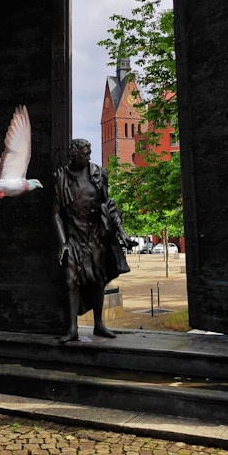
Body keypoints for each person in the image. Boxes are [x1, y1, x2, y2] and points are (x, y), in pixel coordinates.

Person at [53, 139, 133, 343]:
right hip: (73, 238)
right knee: (71, 282)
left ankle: (99, 323)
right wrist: (63, 242)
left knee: (98, 281)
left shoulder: (98, 174)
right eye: (85, 153)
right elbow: (56, 214)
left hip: (95, 236)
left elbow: (108, 204)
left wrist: (121, 232)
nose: (89, 157)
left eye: (90, 153)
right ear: (73, 155)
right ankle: (72, 329)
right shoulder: (61, 177)